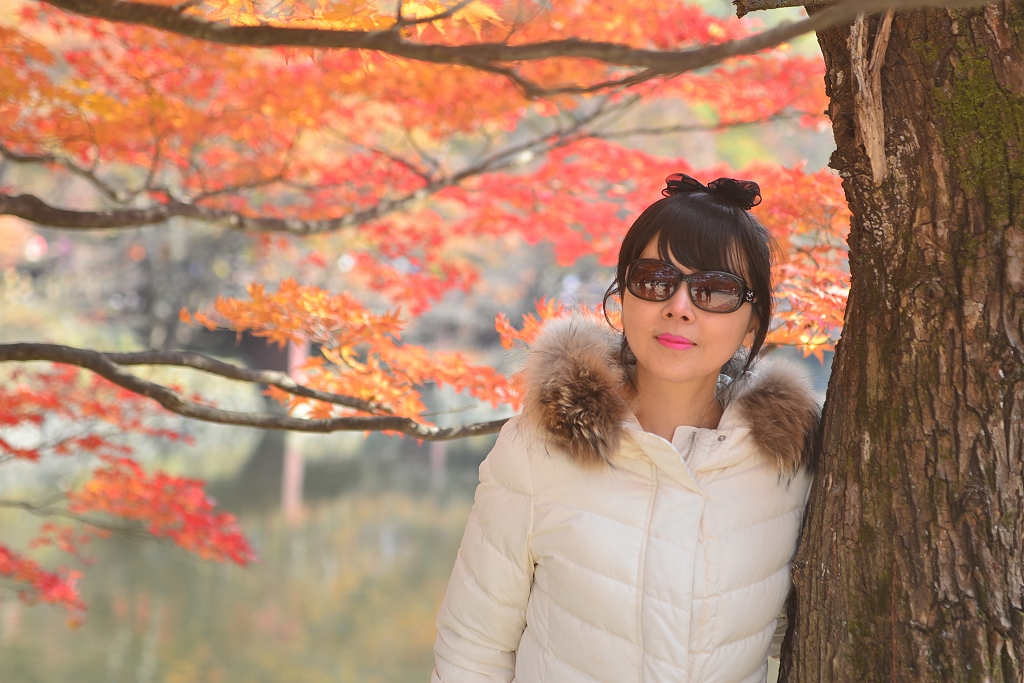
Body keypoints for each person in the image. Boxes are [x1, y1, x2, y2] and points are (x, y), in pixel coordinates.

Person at [431, 173, 820, 683]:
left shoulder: (788, 461)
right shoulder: (539, 447)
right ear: (623, 296)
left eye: (715, 290)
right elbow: (472, 653)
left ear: (753, 320)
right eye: (655, 280)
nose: (679, 307)